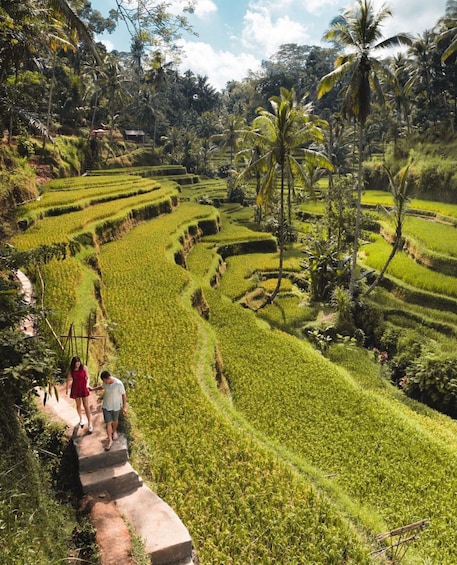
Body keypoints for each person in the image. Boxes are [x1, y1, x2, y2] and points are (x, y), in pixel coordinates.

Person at [89, 370, 127, 451]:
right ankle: (110, 440)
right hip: (106, 406)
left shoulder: (118, 384)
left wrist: (124, 407)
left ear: (108, 378)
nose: (104, 382)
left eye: (105, 380)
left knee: (115, 421)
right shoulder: (105, 383)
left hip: (116, 406)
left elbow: (123, 395)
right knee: (108, 423)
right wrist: (93, 389)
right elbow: (102, 387)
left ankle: (114, 431)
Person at [66, 356, 93, 433]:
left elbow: (88, 377)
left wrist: (87, 384)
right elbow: (68, 380)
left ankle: (90, 423)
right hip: (76, 388)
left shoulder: (84, 367)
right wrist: (67, 389)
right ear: (73, 364)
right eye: (76, 363)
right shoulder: (71, 370)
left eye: (78, 363)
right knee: (78, 405)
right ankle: (81, 419)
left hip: (83, 388)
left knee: (86, 405)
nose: (77, 364)